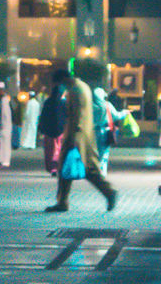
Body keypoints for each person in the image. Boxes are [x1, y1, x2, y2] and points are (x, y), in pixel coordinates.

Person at [45, 69, 117, 213]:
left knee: (87, 170)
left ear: (63, 79)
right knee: (67, 170)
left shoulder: (75, 90)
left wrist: (73, 139)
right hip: (83, 135)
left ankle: (108, 192)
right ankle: (62, 201)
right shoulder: (81, 86)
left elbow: (78, 115)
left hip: (77, 136)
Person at [92, 86, 127, 176]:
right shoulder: (107, 105)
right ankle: (102, 172)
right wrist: (124, 112)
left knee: (95, 152)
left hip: (93, 132)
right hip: (105, 130)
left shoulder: (91, 105)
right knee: (104, 152)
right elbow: (116, 116)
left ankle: (95, 170)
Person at [38, 76, 68, 175]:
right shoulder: (64, 103)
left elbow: (43, 116)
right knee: (59, 150)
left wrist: (42, 128)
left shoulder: (48, 102)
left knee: (50, 151)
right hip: (61, 132)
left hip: (49, 132)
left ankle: (51, 168)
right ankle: (59, 167)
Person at [0, 82, 13, 168]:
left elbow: (4, 115)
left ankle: (3, 161)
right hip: (2, 127)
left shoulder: (4, 100)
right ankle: (1, 160)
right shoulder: (1, 100)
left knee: (3, 144)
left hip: (4, 127)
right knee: (1, 144)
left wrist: (2, 124)